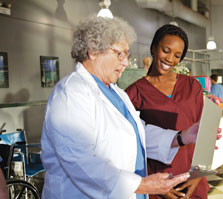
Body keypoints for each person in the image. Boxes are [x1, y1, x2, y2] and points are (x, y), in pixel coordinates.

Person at [41, 16, 203, 199]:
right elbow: (79, 160)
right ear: (93, 51)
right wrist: (140, 184)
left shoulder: (116, 93)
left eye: (127, 55)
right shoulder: (71, 93)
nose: (125, 62)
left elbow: (138, 134)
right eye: (120, 54)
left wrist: (180, 137)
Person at [126, 24, 213, 199]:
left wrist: (198, 175)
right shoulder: (133, 93)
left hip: (192, 179)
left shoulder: (192, 86)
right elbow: (133, 146)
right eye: (166, 50)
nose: (170, 59)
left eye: (177, 56)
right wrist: (158, 187)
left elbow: (206, 131)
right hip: (158, 183)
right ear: (153, 48)